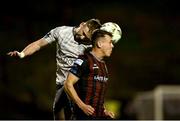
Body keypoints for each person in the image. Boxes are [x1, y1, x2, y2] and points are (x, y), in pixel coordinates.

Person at [7, 18, 102, 120]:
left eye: (86, 38)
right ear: (82, 24)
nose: (82, 37)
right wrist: (22, 54)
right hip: (61, 83)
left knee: (72, 113)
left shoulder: (92, 45)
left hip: (80, 85)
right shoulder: (61, 32)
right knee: (57, 111)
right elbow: (38, 44)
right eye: (83, 33)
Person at [64, 29, 118, 119]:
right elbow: (67, 84)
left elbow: (97, 93)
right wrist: (82, 105)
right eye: (110, 42)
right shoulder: (84, 60)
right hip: (82, 116)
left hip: (99, 116)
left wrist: (104, 110)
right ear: (100, 44)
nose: (112, 46)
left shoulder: (103, 65)